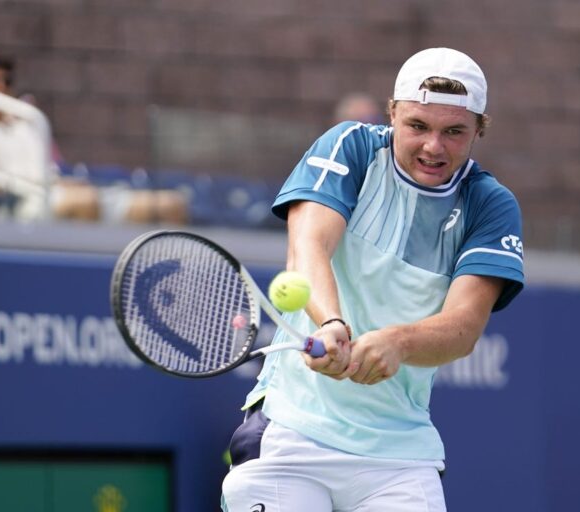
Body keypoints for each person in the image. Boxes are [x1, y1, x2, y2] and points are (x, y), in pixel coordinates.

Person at [220, 48, 525, 511]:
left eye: (454, 132)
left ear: (480, 130)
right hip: (291, 433)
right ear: (393, 113)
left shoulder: (491, 205)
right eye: (417, 126)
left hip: (399, 457)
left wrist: (397, 343)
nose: (433, 147)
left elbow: (464, 328)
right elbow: (308, 247)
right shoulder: (351, 147)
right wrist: (331, 324)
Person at [0, 52, 188, 224]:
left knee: (171, 205)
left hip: (57, 194)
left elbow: (48, 173)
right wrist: (41, 187)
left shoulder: (26, 123)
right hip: (19, 208)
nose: (1, 87)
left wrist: (66, 184)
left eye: (7, 81)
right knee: (87, 203)